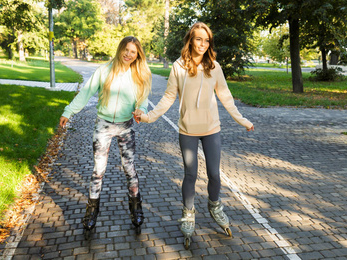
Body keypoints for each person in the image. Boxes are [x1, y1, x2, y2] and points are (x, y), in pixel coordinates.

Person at [134, 22, 254, 249]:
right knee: (190, 174)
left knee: (214, 175)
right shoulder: (178, 67)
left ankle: (215, 206)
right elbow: (168, 98)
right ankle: (188, 214)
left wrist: (243, 120)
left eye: (206, 40)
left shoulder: (215, 67)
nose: (203, 44)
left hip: (211, 129)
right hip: (187, 130)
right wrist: (148, 116)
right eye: (198, 39)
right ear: (190, 40)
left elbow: (226, 97)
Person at [59, 36, 152, 237]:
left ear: (137, 55)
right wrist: (69, 111)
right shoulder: (104, 71)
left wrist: (140, 110)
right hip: (103, 126)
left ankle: (136, 208)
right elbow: (85, 93)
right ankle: (92, 211)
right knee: (98, 170)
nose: (128, 54)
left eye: (133, 52)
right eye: (126, 50)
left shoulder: (139, 75)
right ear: (120, 49)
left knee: (129, 169)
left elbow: (143, 101)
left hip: (126, 127)